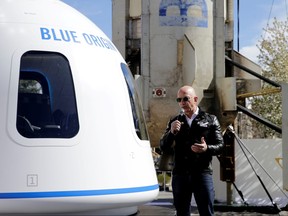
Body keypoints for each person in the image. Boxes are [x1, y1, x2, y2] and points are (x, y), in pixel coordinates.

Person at [160, 85, 224, 216]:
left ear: (195, 99)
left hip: (202, 173)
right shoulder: (175, 121)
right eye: (179, 100)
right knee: (182, 212)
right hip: (180, 175)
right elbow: (163, 147)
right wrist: (171, 133)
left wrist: (207, 148)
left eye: (185, 99)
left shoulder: (210, 120)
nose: (182, 103)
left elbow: (220, 146)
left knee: (206, 212)